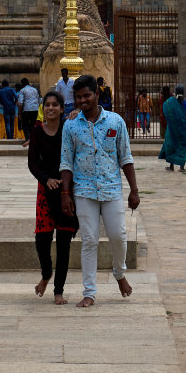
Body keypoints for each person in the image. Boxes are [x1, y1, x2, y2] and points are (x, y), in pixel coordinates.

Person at [60, 73, 139, 307]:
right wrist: (65, 194)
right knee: (89, 240)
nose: (83, 101)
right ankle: (89, 292)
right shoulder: (71, 125)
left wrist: (134, 190)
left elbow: (125, 157)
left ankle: (119, 273)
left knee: (118, 236)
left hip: (111, 187)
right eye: (78, 98)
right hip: (83, 190)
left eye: (87, 96)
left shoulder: (115, 122)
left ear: (97, 94)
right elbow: (66, 162)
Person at [27, 90, 76, 304]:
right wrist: (46, 179)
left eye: (55, 105)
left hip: (66, 190)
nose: (50, 108)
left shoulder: (69, 128)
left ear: (62, 109)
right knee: (42, 239)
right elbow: (32, 163)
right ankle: (46, 274)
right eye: (47, 105)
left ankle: (59, 291)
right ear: (42, 108)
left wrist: (77, 115)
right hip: (46, 190)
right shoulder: (38, 132)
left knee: (64, 242)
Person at [159, 84, 186, 172]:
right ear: (183, 92)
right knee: (182, 147)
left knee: (172, 146)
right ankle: (182, 167)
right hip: (184, 128)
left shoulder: (170, 102)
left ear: (176, 92)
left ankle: (171, 166)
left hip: (172, 128)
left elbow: (167, 113)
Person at [17, 78, 40, 145]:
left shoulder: (22, 90)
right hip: (35, 109)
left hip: (27, 109)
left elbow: (20, 103)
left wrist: (19, 112)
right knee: (32, 125)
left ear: (22, 84)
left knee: (25, 125)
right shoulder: (35, 89)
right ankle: (32, 138)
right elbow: (39, 100)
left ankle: (28, 139)